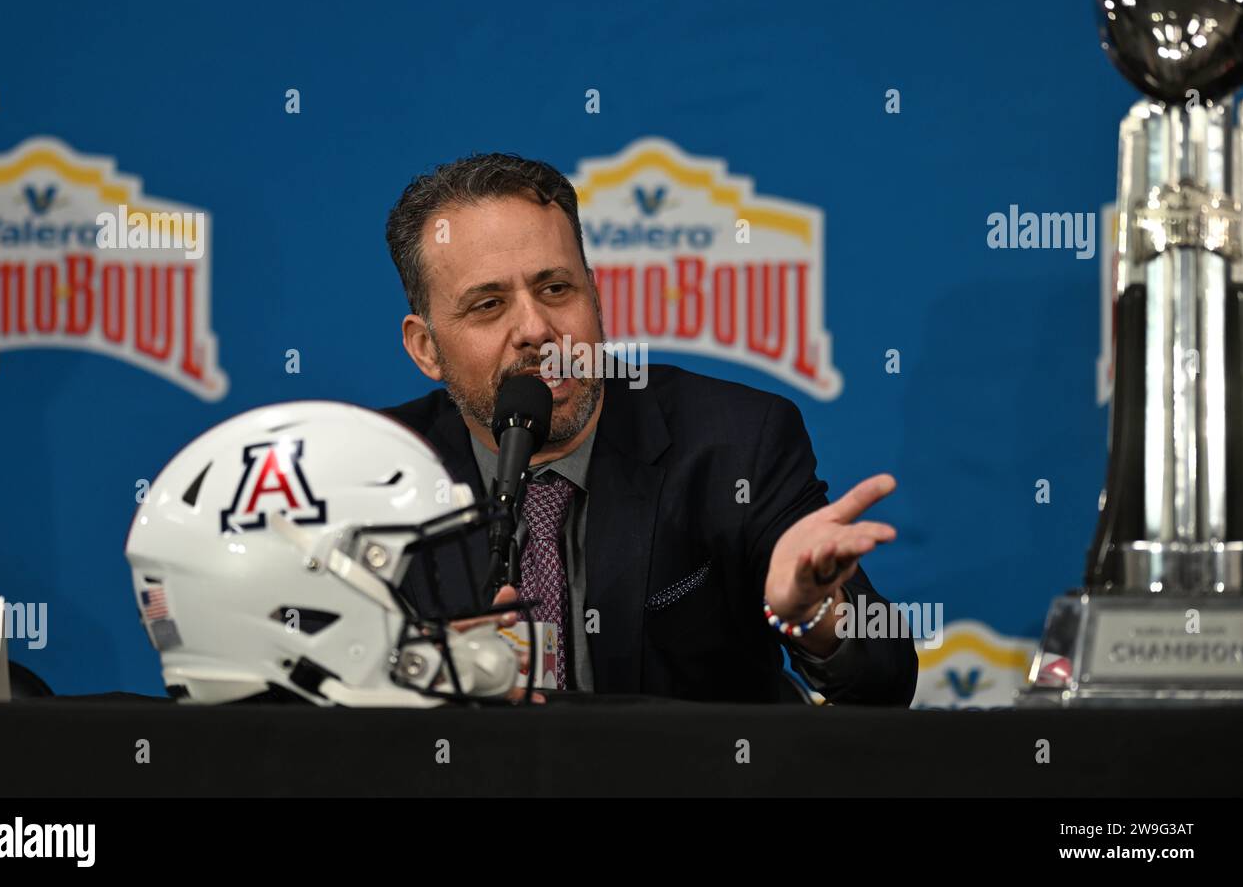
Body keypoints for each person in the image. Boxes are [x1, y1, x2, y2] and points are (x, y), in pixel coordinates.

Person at [380, 152, 917, 704]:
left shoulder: (735, 442)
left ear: (595, 295)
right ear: (426, 347)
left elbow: (886, 680)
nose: (536, 329)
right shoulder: (370, 473)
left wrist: (814, 616)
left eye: (556, 289)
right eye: (489, 305)